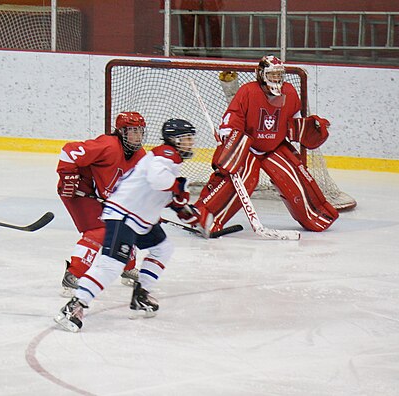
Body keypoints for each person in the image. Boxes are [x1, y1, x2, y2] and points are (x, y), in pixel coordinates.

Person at [54, 119, 198, 332]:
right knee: (112, 265)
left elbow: (160, 190)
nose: (190, 144)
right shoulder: (166, 155)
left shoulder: (166, 158)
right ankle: (74, 306)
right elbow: (159, 180)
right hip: (124, 216)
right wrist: (178, 189)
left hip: (139, 217)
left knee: (162, 248)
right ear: (175, 140)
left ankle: (140, 296)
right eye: (186, 139)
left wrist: (181, 207)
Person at [181, 55, 339, 234]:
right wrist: (228, 136)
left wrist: (314, 128)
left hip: (276, 146)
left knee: (294, 177)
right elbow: (234, 117)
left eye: (279, 75)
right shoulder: (248, 91)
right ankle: (204, 216)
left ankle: (316, 215)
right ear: (261, 74)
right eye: (272, 75)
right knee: (243, 178)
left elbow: (294, 124)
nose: (276, 79)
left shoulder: (289, 92)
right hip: (248, 146)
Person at [56, 112, 147, 297]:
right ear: (121, 132)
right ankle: (73, 275)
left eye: (140, 131)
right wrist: (68, 177)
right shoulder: (108, 145)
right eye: (132, 131)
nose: (137, 136)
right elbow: (68, 151)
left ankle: (128, 268)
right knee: (98, 231)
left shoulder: (140, 156)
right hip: (79, 191)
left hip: (100, 196)